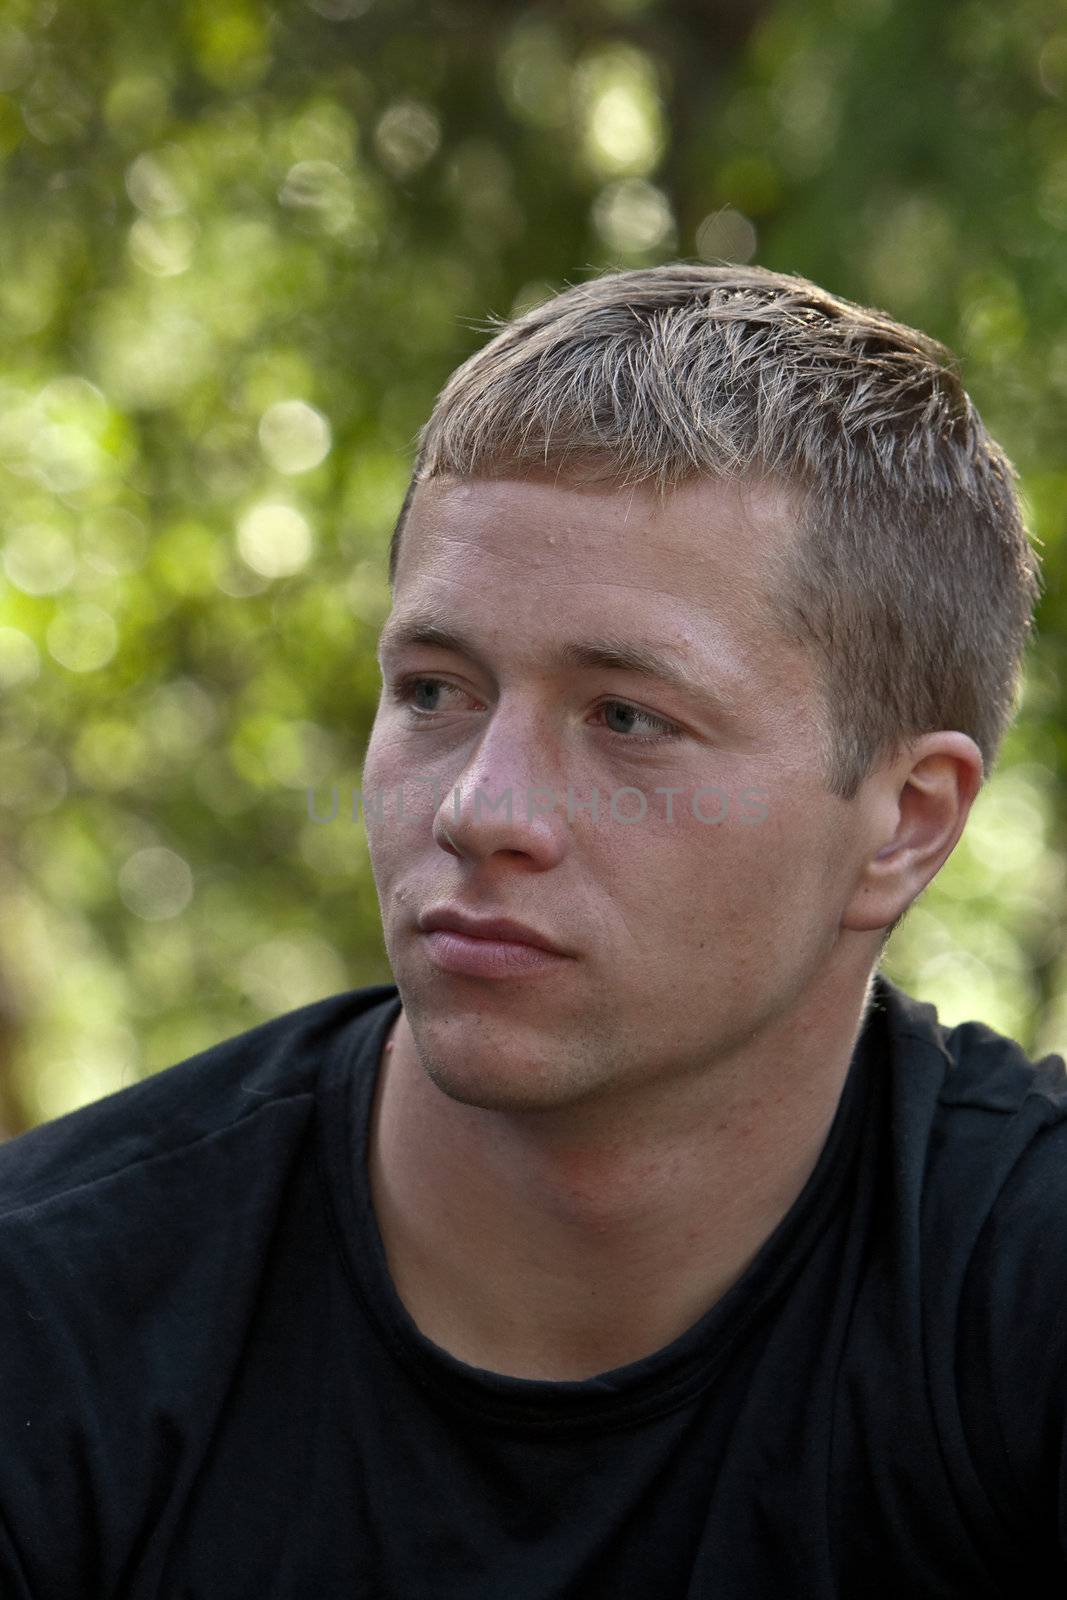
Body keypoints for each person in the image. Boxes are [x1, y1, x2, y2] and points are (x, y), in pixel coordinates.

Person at [0, 263, 1063, 1598]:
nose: (480, 808)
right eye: (436, 690)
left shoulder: (1017, 1300)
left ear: (904, 822)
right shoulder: (52, 1316)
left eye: (628, 718)